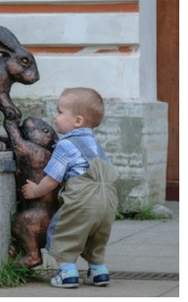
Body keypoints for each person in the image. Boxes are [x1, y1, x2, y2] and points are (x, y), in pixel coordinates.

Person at [21, 87, 118, 289]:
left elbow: (53, 179)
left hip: (84, 197)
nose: (54, 117)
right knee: (96, 234)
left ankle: (67, 273)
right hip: (108, 200)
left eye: (60, 112)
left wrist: (36, 190)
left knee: (63, 230)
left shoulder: (66, 145)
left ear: (78, 121)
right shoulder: (95, 144)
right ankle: (98, 271)